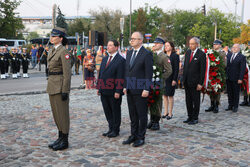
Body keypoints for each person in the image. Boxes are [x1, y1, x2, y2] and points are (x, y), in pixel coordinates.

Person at [122, 32, 153, 147]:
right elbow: (127, 71)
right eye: (131, 39)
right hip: (130, 88)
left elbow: (148, 73)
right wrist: (125, 85)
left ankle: (141, 137)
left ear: (141, 40)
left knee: (141, 114)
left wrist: (146, 88)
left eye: (134, 39)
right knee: (132, 114)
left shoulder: (146, 54)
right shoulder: (129, 53)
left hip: (141, 89)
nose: (132, 41)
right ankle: (133, 134)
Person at [47, 27, 72, 151]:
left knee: (63, 114)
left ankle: (65, 140)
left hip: (60, 87)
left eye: (54, 36)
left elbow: (67, 73)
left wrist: (65, 90)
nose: (51, 38)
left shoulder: (63, 52)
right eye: (51, 36)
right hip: (52, 85)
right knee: (56, 114)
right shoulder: (52, 50)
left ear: (61, 38)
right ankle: (60, 137)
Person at [97, 40, 125, 138]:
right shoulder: (105, 59)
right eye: (107, 45)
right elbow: (100, 74)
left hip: (114, 91)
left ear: (116, 47)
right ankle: (110, 127)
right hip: (104, 90)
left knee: (115, 110)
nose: (108, 47)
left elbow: (120, 77)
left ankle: (115, 129)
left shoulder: (121, 60)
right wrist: (99, 87)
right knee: (107, 110)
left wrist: (118, 91)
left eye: (110, 45)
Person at [147, 37, 172, 131]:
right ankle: (151, 119)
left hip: (158, 83)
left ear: (161, 45)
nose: (155, 44)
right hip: (150, 82)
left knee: (157, 102)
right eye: (155, 43)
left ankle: (156, 121)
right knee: (150, 101)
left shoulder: (164, 57)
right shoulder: (151, 54)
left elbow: (169, 71)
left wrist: (160, 78)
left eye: (157, 43)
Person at [183, 37, 206, 125]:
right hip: (187, 81)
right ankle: (190, 116)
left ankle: (195, 117)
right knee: (188, 100)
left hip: (196, 82)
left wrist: (200, 83)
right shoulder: (188, 52)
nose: (190, 45)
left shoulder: (201, 54)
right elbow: (185, 67)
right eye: (190, 44)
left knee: (195, 100)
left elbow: (202, 70)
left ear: (197, 44)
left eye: (192, 44)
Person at [205, 40, 226, 113]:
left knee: (217, 90)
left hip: (218, 74)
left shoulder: (222, 53)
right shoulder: (210, 52)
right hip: (211, 73)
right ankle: (212, 104)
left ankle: (216, 105)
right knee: (210, 90)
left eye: (216, 44)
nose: (214, 45)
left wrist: (216, 66)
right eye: (214, 44)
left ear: (220, 45)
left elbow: (224, 64)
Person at [225, 44, 246, 112]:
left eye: (235, 47)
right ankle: (230, 105)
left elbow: (242, 69)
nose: (234, 48)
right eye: (233, 47)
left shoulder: (242, 57)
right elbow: (227, 66)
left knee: (236, 92)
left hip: (236, 78)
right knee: (229, 92)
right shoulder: (229, 55)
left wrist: (240, 78)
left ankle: (235, 106)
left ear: (239, 49)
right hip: (228, 77)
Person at [162, 41, 179, 119]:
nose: (166, 47)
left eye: (168, 45)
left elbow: (176, 69)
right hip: (164, 78)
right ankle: (165, 112)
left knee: (170, 95)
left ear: (171, 47)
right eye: (165, 46)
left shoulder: (175, 56)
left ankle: (170, 113)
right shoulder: (163, 55)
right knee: (164, 95)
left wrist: (174, 79)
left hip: (171, 78)